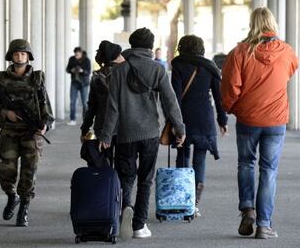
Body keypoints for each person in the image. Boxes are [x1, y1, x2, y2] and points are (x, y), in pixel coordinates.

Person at [98, 28, 186, 239]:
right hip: (149, 133)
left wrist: (106, 135)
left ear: (131, 44)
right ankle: (139, 225)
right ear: (149, 46)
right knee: (146, 180)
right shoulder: (157, 69)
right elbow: (170, 101)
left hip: (125, 132)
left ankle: (126, 206)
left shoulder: (118, 71)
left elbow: (113, 107)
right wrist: (179, 128)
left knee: (125, 176)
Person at [221, 7, 298, 239]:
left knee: (245, 164)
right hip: (276, 121)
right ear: (272, 23)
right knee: (269, 171)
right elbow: (291, 70)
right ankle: (264, 225)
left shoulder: (239, 52)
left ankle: (248, 209)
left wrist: (231, 108)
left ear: (252, 23)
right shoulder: (286, 51)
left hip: (248, 119)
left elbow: (230, 87)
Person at [0, 39, 54, 227]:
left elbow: (46, 107)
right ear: (11, 56)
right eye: (17, 54)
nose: (20, 57)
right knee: (6, 171)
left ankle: (24, 208)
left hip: (32, 133)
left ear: (29, 57)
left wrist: (45, 124)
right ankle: (12, 196)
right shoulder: (2, 80)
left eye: (23, 54)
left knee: (29, 172)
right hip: (10, 132)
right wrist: (5, 113)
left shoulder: (37, 78)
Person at [171, 35, 228, 217]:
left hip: (184, 117)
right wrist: (222, 120)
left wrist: (175, 122)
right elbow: (219, 98)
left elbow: (175, 98)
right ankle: (194, 203)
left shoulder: (178, 65)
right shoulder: (209, 67)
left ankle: (182, 201)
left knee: (182, 156)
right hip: (204, 117)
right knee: (200, 159)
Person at [80, 40, 124, 166]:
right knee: (123, 165)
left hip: (102, 127)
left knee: (103, 164)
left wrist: (85, 129)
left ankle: (107, 185)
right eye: (120, 55)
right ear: (114, 58)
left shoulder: (97, 76)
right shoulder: (124, 74)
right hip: (123, 128)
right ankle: (118, 185)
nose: (123, 57)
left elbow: (91, 107)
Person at [66, 47, 91, 125]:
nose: (76, 56)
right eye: (75, 54)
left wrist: (82, 71)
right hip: (74, 82)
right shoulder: (72, 59)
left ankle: (85, 121)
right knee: (72, 102)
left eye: (77, 54)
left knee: (85, 103)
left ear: (81, 53)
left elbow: (88, 72)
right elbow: (67, 69)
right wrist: (72, 70)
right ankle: (72, 119)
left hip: (84, 83)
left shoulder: (87, 60)